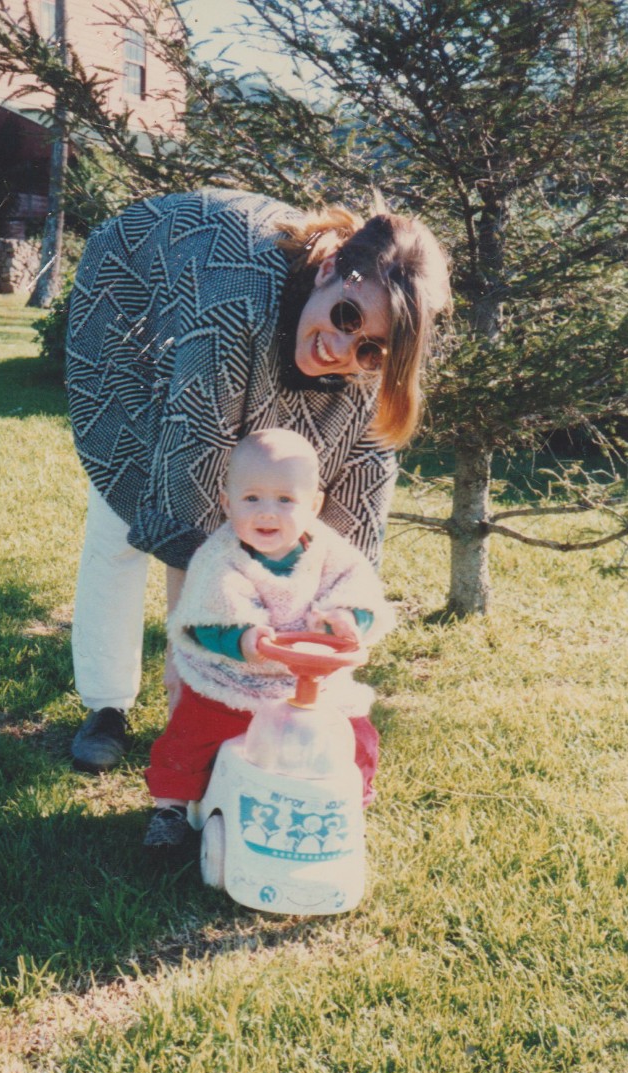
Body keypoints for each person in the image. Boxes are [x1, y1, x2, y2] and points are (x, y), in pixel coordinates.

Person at [66, 188, 450, 772]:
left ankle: (252, 697)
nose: (341, 349)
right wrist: (189, 666)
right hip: (140, 287)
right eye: (345, 317)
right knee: (122, 527)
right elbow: (188, 488)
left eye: (369, 347)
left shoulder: (369, 361)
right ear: (328, 271)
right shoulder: (233, 306)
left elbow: (349, 533)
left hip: (240, 318)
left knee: (275, 503)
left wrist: (334, 628)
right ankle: (107, 705)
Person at [143, 430, 396, 849]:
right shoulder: (221, 557)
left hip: (312, 682)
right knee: (192, 732)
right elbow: (209, 617)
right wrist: (243, 639)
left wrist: (348, 618)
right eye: (252, 499)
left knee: (357, 735)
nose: (267, 513)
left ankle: (349, 804)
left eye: (285, 500)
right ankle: (170, 807)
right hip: (233, 680)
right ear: (227, 502)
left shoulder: (332, 554)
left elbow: (360, 593)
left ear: (313, 506)